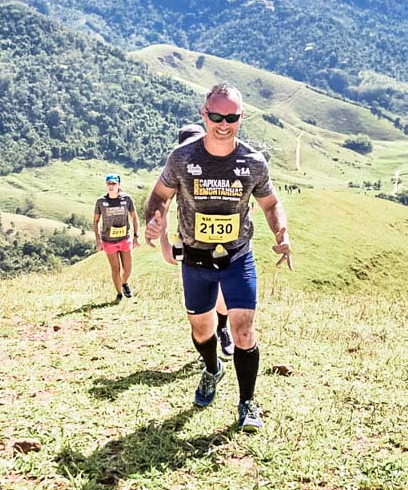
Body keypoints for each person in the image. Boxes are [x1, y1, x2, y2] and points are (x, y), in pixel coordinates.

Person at [144, 83, 292, 431]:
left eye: (232, 117)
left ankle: (247, 403)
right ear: (204, 115)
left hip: (238, 256)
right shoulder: (182, 158)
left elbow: (270, 203)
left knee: (243, 330)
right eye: (216, 116)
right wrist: (155, 218)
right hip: (196, 258)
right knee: (201, 330)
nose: (223, 124)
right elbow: (160, 195)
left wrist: (282, 233)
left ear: (241, 118)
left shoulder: (253, 163)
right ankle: (212, 369)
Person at [175, 123, 236, 358]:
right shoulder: (178, 169)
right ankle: (208, 344)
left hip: (222, 243)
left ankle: (222, 328)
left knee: (221, 293)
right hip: (192, 244)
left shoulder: (218, 166)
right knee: (202, 299)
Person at [94, 173, 141, 302]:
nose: (111, 186)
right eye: (109, 183)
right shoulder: (101, 201)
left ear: (119, 185)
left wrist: (137, 236)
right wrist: (98, 241)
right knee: (115, 268)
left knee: (128, 269)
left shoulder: (127, 199)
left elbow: (135, 218)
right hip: (108, 241)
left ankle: (124, 283)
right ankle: (119, 294)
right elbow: (95, 221)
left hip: (124, 239)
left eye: (114, 184)